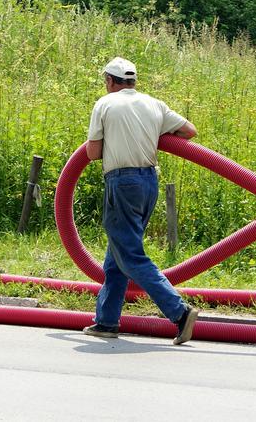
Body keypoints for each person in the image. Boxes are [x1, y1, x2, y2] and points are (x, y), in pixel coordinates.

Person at [82, 56, 199, 345]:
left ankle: (180, 312)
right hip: (149, 183)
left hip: (121, 182)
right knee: (118, 252)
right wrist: (152, 132)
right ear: (133, 81)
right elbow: (189, 131)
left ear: (109, 81)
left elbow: (92, 153)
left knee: (130, 255)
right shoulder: (153, 103)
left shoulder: (104, 104)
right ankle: (107, 321)